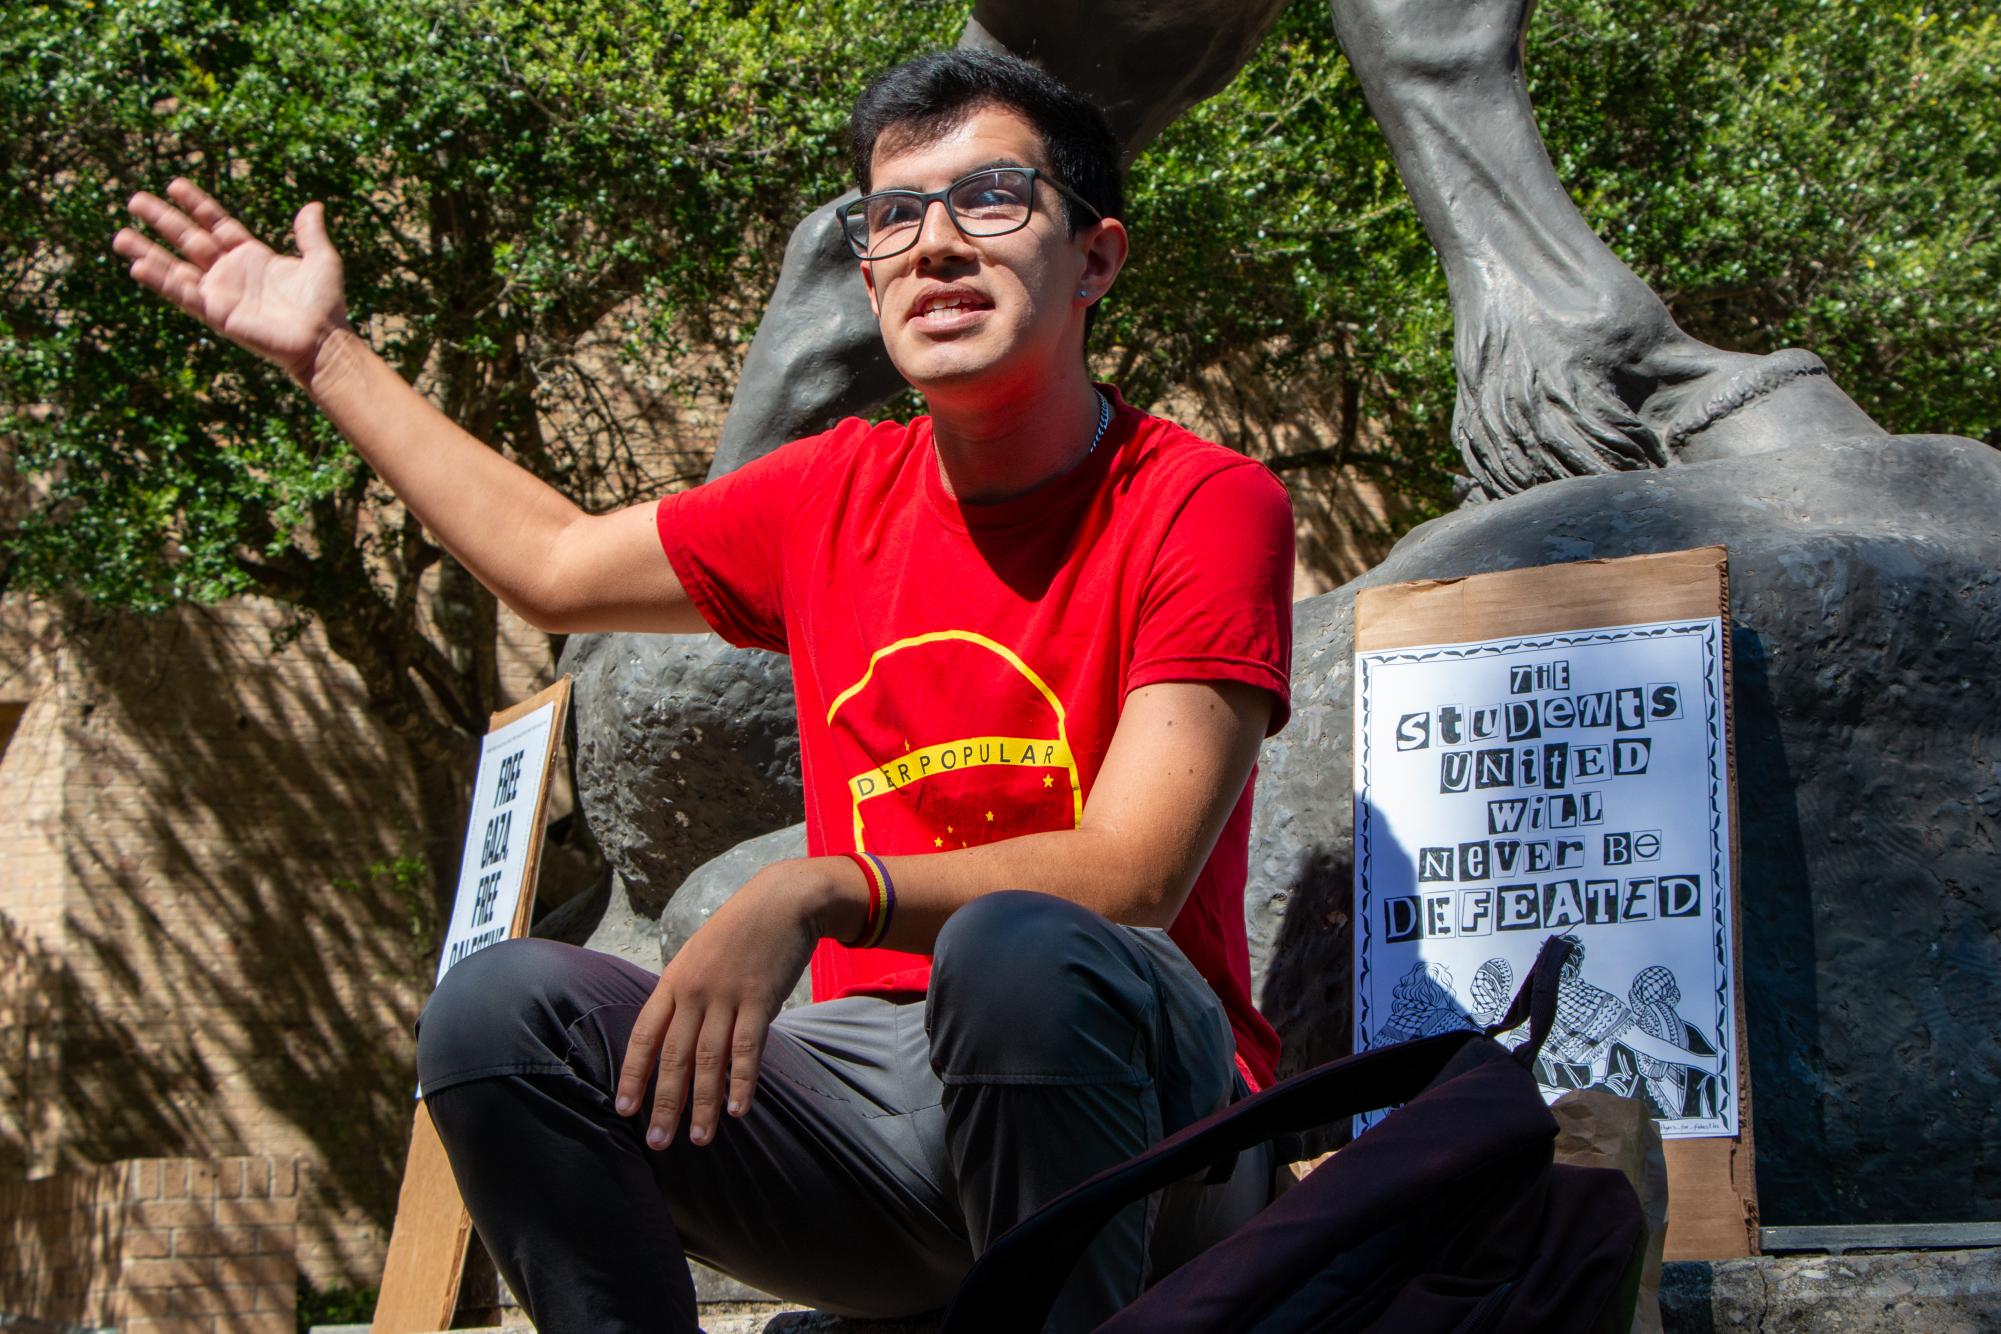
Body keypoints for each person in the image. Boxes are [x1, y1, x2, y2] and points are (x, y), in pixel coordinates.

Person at [115, 50, 1293, 1333]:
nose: (936, 245)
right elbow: (553, 566)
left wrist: (820, 883)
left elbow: (1133, 874)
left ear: (1096, 259)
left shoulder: (1202, 501)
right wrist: (326, 353)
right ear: (869, 273)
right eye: (894, 215)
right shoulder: (829, 495)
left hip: (1150, 1118)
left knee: (1012, 949)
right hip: (882, 1117)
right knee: (502, 1011)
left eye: (993, 199)